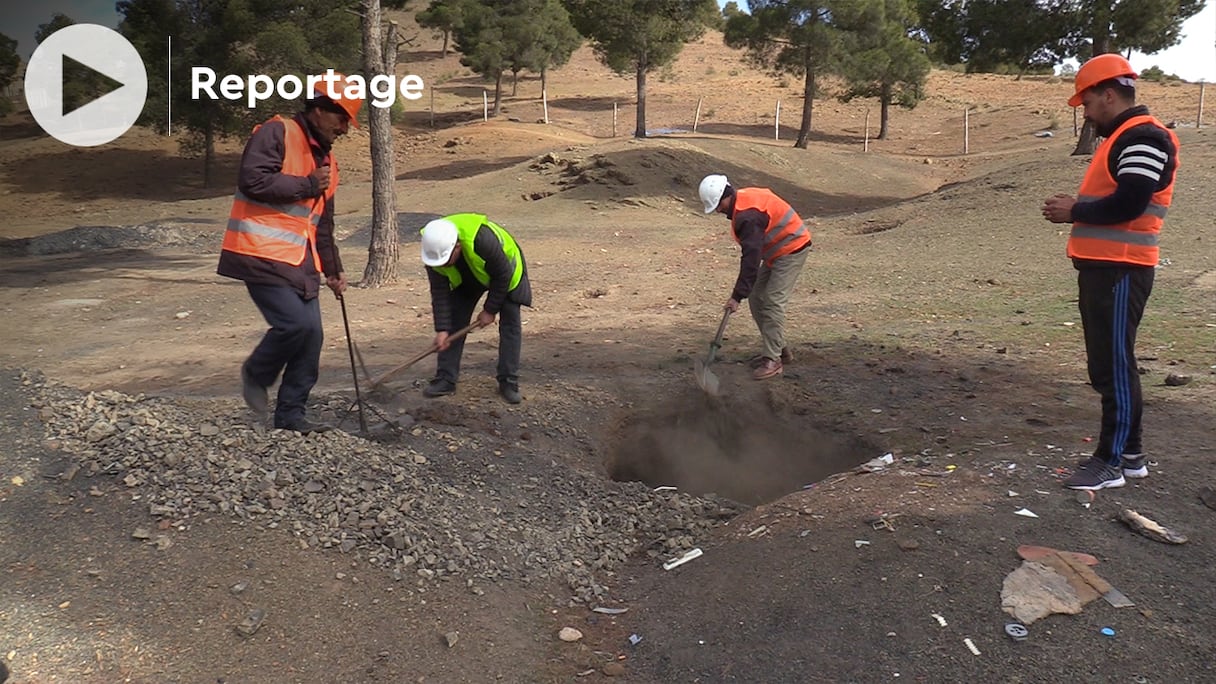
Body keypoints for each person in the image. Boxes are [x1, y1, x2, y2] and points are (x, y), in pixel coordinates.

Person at [1041, 54, 1180, 491]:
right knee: (1110, 364)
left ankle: (1111, 461)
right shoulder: (1125, 136)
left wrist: (1074, 211)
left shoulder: (1143, 135)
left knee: (1113, 367)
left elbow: (1130, 203)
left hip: (1121, 269)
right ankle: (1131, 454)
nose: (1085, 112)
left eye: (1087, 103)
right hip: (1108, 267)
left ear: (1108, 94)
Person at [217, 74, 363, 434]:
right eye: (341, 117)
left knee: (311, 336)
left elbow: (322, 221)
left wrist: (333, 269)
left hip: (302, 263)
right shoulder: (277, 132)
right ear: (317, 108)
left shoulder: (328, 163)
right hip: (260, 254)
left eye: (348, 121)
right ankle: (256, 373)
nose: (345, 128)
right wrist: (308, 184)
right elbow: (252, 179)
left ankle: (291, 417)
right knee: (294, 325)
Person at [698, 174, 813, 380]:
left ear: (726, 196)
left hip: (792, 247)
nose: (718, 210)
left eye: (717, 205)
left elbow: (751, 261)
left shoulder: (747, 217)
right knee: (756, 296)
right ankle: (779, 349)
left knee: (772, 301)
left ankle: (773, 360)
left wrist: (736, 296)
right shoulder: (741, 201)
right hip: (775, 251)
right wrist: (743, 294)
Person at [419, 214, 533, 404]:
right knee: (455, 321)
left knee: (510, 325)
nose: (443, 265)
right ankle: (445, 379)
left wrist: (490, 309)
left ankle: (508, 382)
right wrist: (442, 329)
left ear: (457, 246)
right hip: (469, 277)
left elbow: (502, 275)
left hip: (507, 273)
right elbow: (439, 293)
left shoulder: (482, 239)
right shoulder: (434, 251)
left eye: (447, 260)